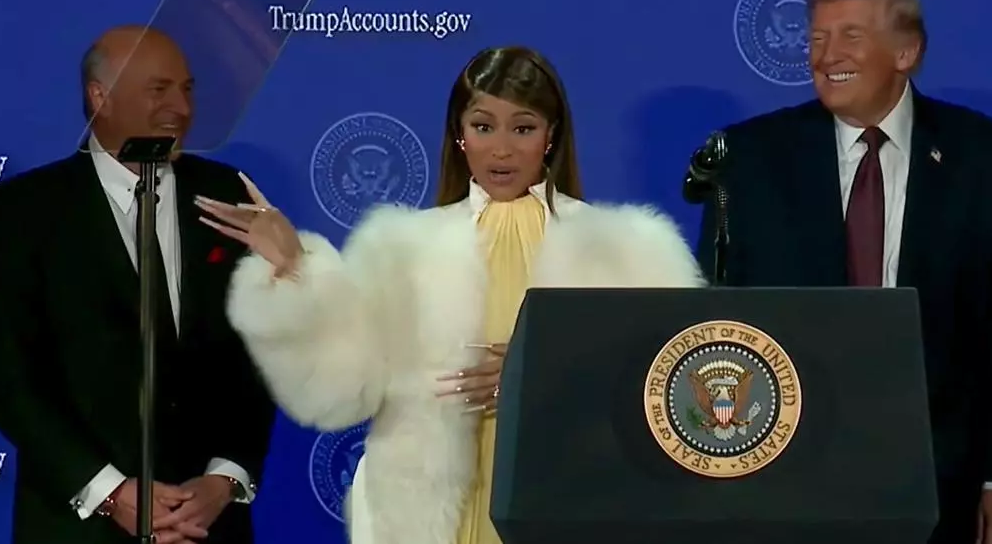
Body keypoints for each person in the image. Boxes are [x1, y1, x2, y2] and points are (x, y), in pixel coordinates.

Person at [195, 46, 705, 544]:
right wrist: (294, 270)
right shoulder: (400, 248)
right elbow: (340, 389)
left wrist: (540, 376)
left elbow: (672, 396)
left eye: (522, 128)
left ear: (551, 135)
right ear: (459, 135)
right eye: (483, 127)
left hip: (569, 505)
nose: (501, 149)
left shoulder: (626, 250)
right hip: (427, 519)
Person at [695, 0, 992, 544]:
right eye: (817, 38)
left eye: (850, 36)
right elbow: (715, 320)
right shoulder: (750, 158)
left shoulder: (985, 158)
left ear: (906, 51)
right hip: (781, 474)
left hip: (937, 475)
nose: (826, 55)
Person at [0, 26, 276, 544]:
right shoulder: (24, 212)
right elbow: (10, 380)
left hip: (207, 525)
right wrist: (111, 492)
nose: (181, 108)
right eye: (159, 90)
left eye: (187, 89)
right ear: (100, 96)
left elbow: (260, 351)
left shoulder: (227, 193)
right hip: (78, 528)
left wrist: (224, 479)